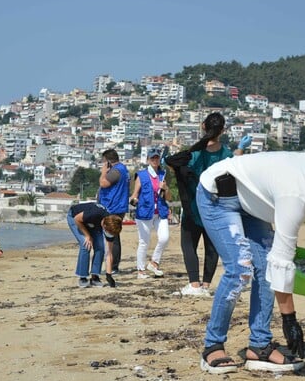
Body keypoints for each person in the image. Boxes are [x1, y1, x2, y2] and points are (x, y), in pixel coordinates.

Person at [196, 152, 305, 373]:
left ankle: (259, 345)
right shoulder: (297, 197)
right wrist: (289, 320)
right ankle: (212, 345)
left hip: (253, 203)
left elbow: (276, 262)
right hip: (217, 195)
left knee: (264, 269)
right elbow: (281, 262)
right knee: (240, 269)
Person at [165, 112, 251, 297]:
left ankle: (194, 285)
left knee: (188, 245)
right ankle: (205, 285)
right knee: (212, 247)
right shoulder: (226, 154)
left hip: (194, 207)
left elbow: (173, 165)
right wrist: (241, 148)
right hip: (217, 207)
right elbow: (236, 167)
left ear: (203, 126)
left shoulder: (194, 153)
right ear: (222, 131)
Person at [130, 147, 172, 279]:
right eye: (152, 158)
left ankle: (154, 262)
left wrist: (165, 188)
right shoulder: (141, 175)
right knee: (144, 242)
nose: (155, 160)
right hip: (144, 212)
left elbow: (169, 197)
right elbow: (134, 195)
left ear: (159, 160)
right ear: (148, 160)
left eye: (157, 158)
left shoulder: (163, 175)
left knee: (164, 238)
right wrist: (134, 201)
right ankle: (141, 271)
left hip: (160, 212)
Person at [67, 202, 123, 288]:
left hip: (93, 223)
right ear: (104, 225)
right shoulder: (95, 213)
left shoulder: (111, 226)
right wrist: (87, 235)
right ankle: (83, 277)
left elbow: (109, 253)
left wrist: (109, 275)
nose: (108, 234)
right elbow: (77, 219)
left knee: (100, 247)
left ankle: (95, 277)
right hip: (75, 217)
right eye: (106, 232)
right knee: (86, 244)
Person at [98, 149, 130, 273]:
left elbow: (103, 183)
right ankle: (114, 265)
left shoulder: (115, 171)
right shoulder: (124, 169)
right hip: (119, 206)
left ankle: (113, 266)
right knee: (114, 236)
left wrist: (103, 172)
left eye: (103, 162)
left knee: (112, 237)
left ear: (108, 161)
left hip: (113, 207)